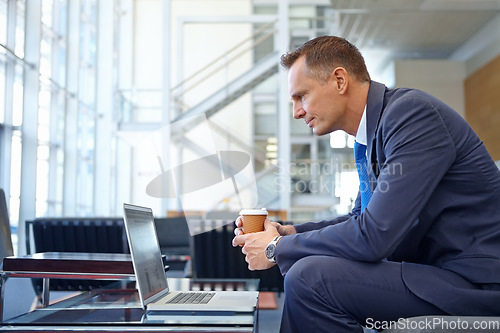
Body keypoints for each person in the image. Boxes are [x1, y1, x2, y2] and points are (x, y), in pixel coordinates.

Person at [232, 36, 500, 332]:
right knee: (307, 272)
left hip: (476, 284)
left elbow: (375, 236)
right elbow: (360, 219)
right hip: (434, 274)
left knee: (311, 277)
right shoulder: (368, 138)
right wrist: (289, 232)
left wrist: (276, 247)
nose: (296, 111)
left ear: (339, 80)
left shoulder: (412, 115)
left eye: (301, 96)